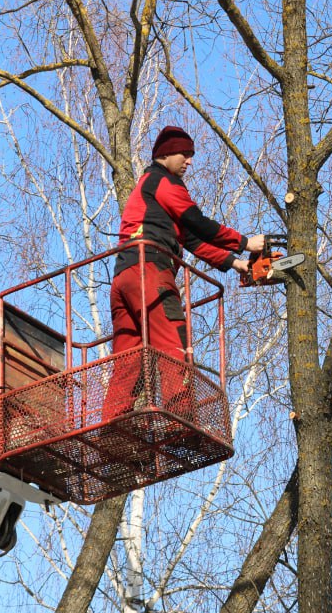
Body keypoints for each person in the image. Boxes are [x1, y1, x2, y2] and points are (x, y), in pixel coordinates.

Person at [103, 125, 263, 430]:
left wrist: (236, 263)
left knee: (130, 356)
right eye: (184, 154)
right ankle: (181, 419)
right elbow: (197, 222)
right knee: (173, 339)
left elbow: (192, 240)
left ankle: (114, 424)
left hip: (124, 278)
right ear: (165, 154)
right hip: (150, 273)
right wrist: (245, 242)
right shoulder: (164, 181)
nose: (189, 161)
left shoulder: (148, 189)